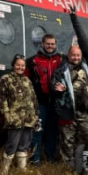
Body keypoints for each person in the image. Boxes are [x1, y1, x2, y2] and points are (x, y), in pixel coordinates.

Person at [0, 55, 40, 175]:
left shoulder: (27, 80)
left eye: (23, 65)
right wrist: (6, 114)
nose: (20, 67)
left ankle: (21, 170)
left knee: (24, 145)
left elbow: (33, 99)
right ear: (13, 65)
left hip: (28, 119)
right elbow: (0, 98)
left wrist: (36, 115)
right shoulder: (6, 79)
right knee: (12, 145)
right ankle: (4, 171)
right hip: (15, 119)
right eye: (18, 65)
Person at [51, 43, 88, 164]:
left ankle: (82, 162)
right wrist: (56, 89)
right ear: (68, 55)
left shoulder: (86, 68)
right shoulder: (61, 70)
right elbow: (53, 85)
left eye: (78, 55)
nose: (76, 57)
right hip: (67, 110)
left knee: (86, 136)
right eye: (73, 55)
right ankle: (68, 165)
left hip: (84, 111)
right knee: (67, 139)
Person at [26, 34, 64, 164]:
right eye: (48, 43)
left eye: (52, 44)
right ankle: (35, 158)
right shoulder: (33, 61)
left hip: (55, 102)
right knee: (38, 130)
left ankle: (50, 158)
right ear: (42, 43)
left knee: (52, 131)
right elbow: (27, 81)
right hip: (40, 102)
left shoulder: (60, 60)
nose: (50, 46)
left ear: (56, 45)